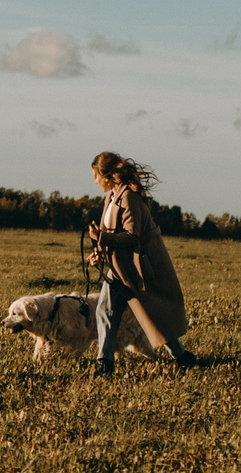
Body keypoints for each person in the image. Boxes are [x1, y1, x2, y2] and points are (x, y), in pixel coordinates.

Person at [83, 151, 199, 376]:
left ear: (106, 176)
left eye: (96, 176)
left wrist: (101, 238)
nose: (95, 181)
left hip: (136, 268)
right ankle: (105, 363)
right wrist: (98, 252)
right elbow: (111, 233)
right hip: (118, 268)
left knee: (149, 312)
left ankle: (182, 356)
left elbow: (132, 236)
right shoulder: (112, 196)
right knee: (105, 310)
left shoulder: (128, 197)